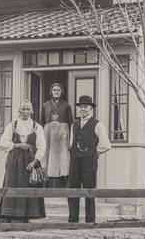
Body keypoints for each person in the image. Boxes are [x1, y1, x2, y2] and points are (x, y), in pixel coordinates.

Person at [0, 100, 46, 222]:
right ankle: (10, 215)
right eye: (23, 109)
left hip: (31, 160)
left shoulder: (37, 127)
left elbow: (42, 146)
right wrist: (17, 145)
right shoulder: (12, 125)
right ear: (19, 111)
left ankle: (25, 217)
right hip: (14, 160)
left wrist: (35, 162)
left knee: (28, 185)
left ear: (32, 111)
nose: (25, 112)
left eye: (28, 109)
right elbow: (3, 143)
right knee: (12, 183)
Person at [67, 95, 111, 223]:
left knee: (89, 191)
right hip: (75, 161)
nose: (83, 109)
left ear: (91, 109)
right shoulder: (74, 125)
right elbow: (71, 144)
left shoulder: (97, 124)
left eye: (86, 107)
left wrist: (93, 153)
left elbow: (106, 145)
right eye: (81, 107)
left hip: (89, 162)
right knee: (72, 191)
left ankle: (90, 221)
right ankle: (72, 221)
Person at [41, 85, 71, 188]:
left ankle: (62, 183)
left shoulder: (66, 106)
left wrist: (69, 139)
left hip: (62, 133)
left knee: (62, 158)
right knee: (47, 156)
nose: (56, 92)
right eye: (54, 90)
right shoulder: (45, 105)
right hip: (48, 133)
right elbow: (41, 123)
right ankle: (46, 183)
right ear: (51, 92)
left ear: (61, 92)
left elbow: (70, 122)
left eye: (58, 90)